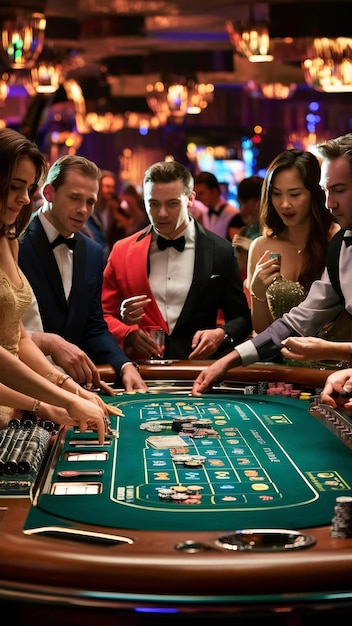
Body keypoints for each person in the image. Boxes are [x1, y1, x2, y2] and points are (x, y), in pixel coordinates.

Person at [191, 133, 352, 396]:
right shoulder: (341, 248)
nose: (329, 203)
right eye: (326, 191)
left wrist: (332, 349)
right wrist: (227, 361)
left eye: (339, 190)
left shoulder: (333, 239)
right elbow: (297, 321)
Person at [0, 128, 120, 438]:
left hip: (11, 409)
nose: (25, 198)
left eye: (28, 187)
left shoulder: (9, 239)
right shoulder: (23, 239)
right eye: (15, 187)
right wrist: (60, 400)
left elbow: (19, 338)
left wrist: (67, 389)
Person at [18, 154, 147, 393]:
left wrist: (124, 365)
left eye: (90, 202)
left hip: (75, 390)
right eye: (75, 198)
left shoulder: (93, 252)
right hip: (21, 384)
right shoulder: (14, 242)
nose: (83, 210)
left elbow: (94, 326)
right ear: (49, 193)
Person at [102, 160, 252, 361]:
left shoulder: (221, 251)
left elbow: (242, 318)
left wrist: (222, 334)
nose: (162, 213)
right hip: (139, 371)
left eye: (172, 203)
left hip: (197, 372)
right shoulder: (121, 250)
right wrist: (126, 332)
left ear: (190, 199)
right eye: (153, 204)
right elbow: (100, 315)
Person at [247, 150, 340, 334]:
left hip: (334, 357)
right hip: (280, 357)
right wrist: (257, 292)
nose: (285, 204)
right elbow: (262, 330)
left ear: (315, 194)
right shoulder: (261, 247)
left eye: (295, 194)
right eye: (277, 194)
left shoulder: (337, 240)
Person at [0, 346, 114, 444]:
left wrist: (75, 390)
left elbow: (21, 339)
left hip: (20, 397)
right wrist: (61, 403)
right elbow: (3, 366)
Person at [231, 175, 263, 289]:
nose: (242, 210)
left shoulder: (279, 231)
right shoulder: (245, 232)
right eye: (240, 204)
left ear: (261, 201)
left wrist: (255, 250)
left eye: (244, 204)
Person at [194, 171, 241, 240]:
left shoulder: (233, 214)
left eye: (202, 193)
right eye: (197, 194)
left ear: (214, 191)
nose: (198, 198)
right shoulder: (205, 212)